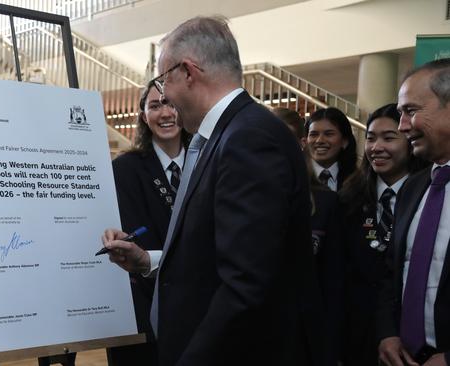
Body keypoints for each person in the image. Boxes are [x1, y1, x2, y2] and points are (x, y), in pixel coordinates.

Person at [102, 16, 323, 366]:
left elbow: (245, 284)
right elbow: (217, 253)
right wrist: (148, 261)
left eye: (164, 81)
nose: (167, 97)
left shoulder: (246, 139)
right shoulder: (227, 135)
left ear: (188, 72)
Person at [107, 80, 190, 366]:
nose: (165, 113)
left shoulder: (208, 161)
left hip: (202, 308)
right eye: (155, 105)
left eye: (171, 103)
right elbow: (139, 241)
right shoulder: (125, 170)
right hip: (148, 309)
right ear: (144, 116)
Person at [340, 103, 428, 366]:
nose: (376, 147)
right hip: (353, 339)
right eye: (370, 138)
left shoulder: (429, 197)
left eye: (389, 138)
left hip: (407, 342)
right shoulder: (347, 200)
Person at [377, 58, 450, 366]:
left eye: (410, 111)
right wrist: (388, 333)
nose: (403, 126)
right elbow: (391, 272)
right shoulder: (413, 188)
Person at [274, 107, 344, 365]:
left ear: (300, 143)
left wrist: (331, 349)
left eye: (285, 138)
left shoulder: (325, 201)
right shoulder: (244, 198)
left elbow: (333, 282)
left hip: (304, 338)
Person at [306, 107, 358, 191]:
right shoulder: (294, 176)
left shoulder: (358, 182)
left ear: (344, 141)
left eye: (328, 134)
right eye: (314, 134)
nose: (319, 140)